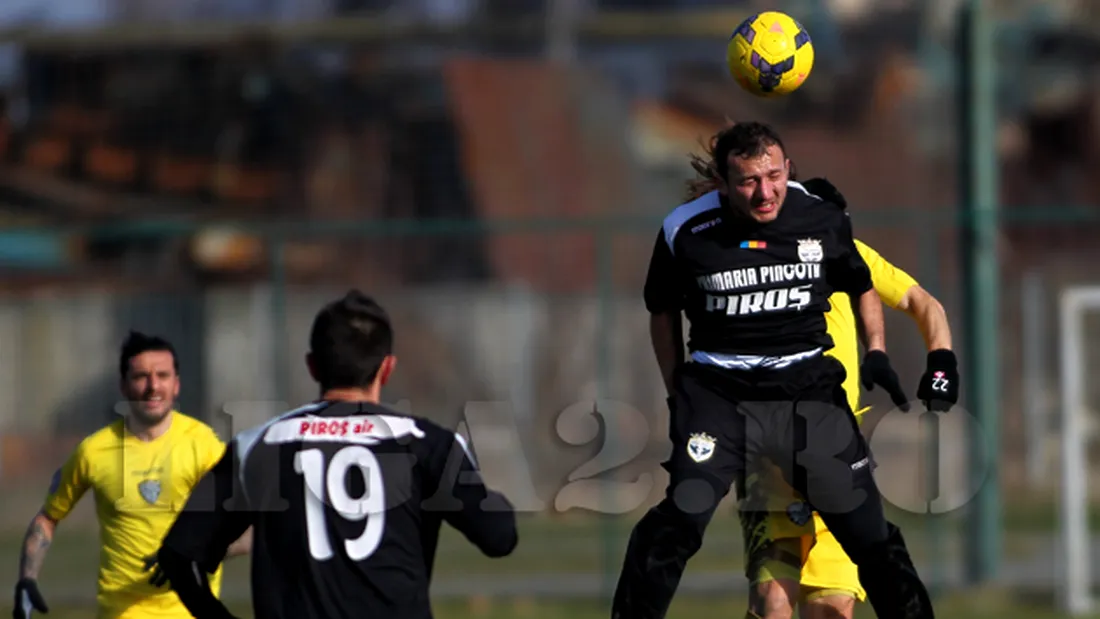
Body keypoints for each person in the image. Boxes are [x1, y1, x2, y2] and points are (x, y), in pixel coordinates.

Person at [610, 122, 934, 619]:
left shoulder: (819, 215)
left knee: (869, 534)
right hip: (721, 393)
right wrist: (678, 396)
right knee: (682, 517)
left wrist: (878, 352)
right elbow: (662, 311)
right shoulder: (685, 230)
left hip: (808, 390)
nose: (765, 192)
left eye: (774, 175)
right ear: (723, 182)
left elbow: (862, 283)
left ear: (787, 169)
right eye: (748, 181)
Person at [152, 289, 518, 619]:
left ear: (312, 366)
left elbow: (179, 556)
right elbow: (499, 538)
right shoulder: (428, 443)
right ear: (387, 368)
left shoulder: (257, 445)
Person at [734, 177, 959, 619]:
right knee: (772, 603)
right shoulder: (769, 262)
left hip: (837, 454)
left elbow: (924, 304)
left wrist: (941, 364)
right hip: (771, 455)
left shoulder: (854, 259)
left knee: (833, 608)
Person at [12, 332, 251, 619]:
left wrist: (187, 553)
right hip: (121, 612)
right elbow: (48, 518)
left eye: (162, 375)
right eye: (141, 377)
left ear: (176, 385)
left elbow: (250, 529)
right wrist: (27, 579)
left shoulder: (206, 446)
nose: (153, 386)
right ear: (123, 386)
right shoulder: (94, 451)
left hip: (193, 610)